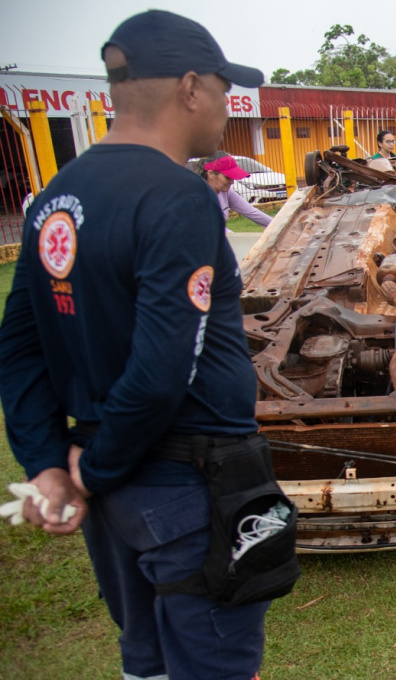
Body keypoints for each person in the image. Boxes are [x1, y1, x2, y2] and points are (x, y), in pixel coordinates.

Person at [0, 11, 279, 679]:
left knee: (147, 660)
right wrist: (88, 472)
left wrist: (48, 462)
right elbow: (161, 370)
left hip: (121, 494)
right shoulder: (177, 197)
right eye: (223, 88)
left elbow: (19, 347)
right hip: (189, 485)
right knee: (213, 662)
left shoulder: (56, 198)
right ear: (190, 87)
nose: (227, 105)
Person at [196, 152, 272, 228]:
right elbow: (211, 230)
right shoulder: (196, 196)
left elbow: (252, 212)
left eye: (233, 177)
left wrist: (277, 226)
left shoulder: (226, 192)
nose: (232, 182)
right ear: (211, 174)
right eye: (228, 177)